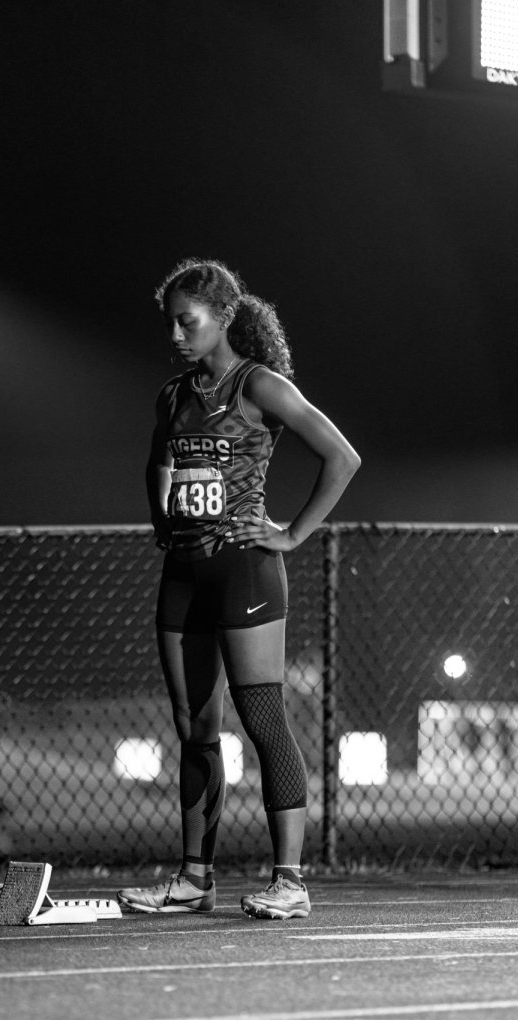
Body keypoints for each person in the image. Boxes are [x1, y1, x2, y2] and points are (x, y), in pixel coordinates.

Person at [117, 259, 360, 920]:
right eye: (169, 321)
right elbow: (157, 461)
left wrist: (293, 534)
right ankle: (195, 878)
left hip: (246, 571)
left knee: (262, 719)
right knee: (194, 728)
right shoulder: (172, 394)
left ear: (224, 316)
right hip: (184, 577)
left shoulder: (259, 385)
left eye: (186, 320)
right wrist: (163, 520)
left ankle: (290, 880)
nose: (175, 333)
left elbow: (342, 457)